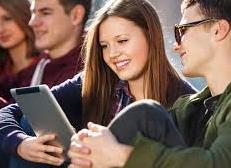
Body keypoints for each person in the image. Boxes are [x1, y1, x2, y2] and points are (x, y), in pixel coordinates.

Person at [0, 0, 195, 167]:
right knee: (28, 123)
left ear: (151, 37)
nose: (112, 54)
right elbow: (8, 112)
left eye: (122, 40)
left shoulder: (186, 100)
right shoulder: (96, 82)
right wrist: (20, 143)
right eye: (104, 46)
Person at [67, 0, 231, 167]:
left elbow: (219, 163)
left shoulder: (182, 95)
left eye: (182, 31)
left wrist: (121, 156)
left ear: (218, 31)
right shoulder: (192, 107)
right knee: (146, 113)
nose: (176, 45)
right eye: (104, 46)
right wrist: (88, 147)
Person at [0, 0, 40, 108]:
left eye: (7, 19)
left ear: (24, 16)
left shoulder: (44, 66)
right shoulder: (3, 68)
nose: (1, 28)